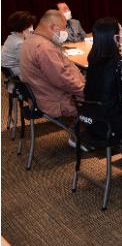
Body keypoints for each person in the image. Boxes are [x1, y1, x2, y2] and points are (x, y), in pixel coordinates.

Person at [20, 10, 85, 148]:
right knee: (104, 100)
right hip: (57, 100)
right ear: (54, 27)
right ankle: (82, 136)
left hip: (43, 95)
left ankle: (82, 132)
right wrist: (87, 91)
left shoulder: (31, 40)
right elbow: (63, 80)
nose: (64, 33)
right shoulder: (44, 47)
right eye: (63, 29)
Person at [84, 17, 122, 141]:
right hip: (113, 125)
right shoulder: (121, 63)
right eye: (121, 31)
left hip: (93, 121)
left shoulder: (93, 59)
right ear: (115, 37)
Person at [1, 11, 37, 77]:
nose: (32, 29)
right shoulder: (19, 43)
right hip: (16, 72)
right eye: (30, 25)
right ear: (23, 27)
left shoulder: (12, 36)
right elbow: (28, 63)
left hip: (12, 69)